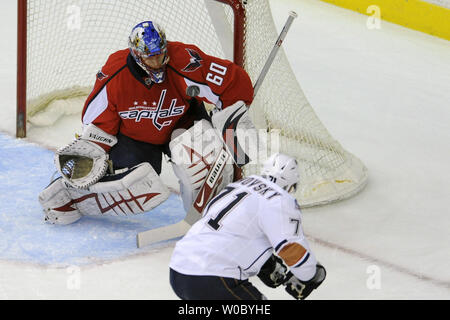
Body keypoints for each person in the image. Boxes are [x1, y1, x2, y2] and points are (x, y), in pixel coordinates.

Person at [38, 21, 256, 224]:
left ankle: (210, 222)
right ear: (136, 54)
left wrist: (230, 125)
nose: (157, 62)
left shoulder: (185, 60)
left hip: (182, 124)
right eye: (149, 57)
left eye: (160, 55)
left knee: (199, 163)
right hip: (135, 137)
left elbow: (234, 82)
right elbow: (97, 123)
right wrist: (96, 149)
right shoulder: (116, 75)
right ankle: (70, 194)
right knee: (132, 185)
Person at [169, 153, 326, 300]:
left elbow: (228, 230)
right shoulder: (280, 199)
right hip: (213, 275)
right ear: (291, 185)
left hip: (179, 269)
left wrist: (267, 265)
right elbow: (290, 247)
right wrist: (310, 274)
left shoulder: (237, 186)